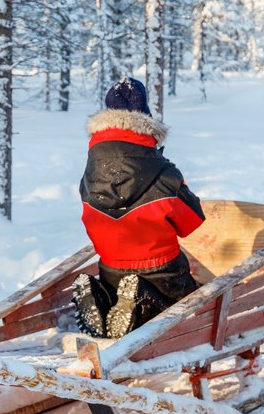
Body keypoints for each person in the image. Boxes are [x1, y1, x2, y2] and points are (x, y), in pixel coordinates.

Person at [72, 77, 205, 339]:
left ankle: (102, 298)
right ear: (146, 122)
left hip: (110, 270)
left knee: (118, 288)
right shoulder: (164, 173)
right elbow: (192, 222)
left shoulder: (90, 175)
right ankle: (140, 298)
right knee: (184, 302)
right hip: (163, 271)